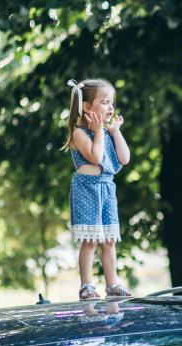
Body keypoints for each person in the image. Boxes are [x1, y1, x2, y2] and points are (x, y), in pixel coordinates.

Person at [63, 78, 132, 300]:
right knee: (90, 240)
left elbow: (124, 158)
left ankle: (112, 284)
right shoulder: (79, 133)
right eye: (104, 102)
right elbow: (95, 156)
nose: (110, 107)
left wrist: (115, 132)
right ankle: (87, 285)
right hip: (87, 189)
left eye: (111, 103)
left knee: (110, 239)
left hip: (106, 189)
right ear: (86, 106)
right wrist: (100, 131)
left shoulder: (108, 133)